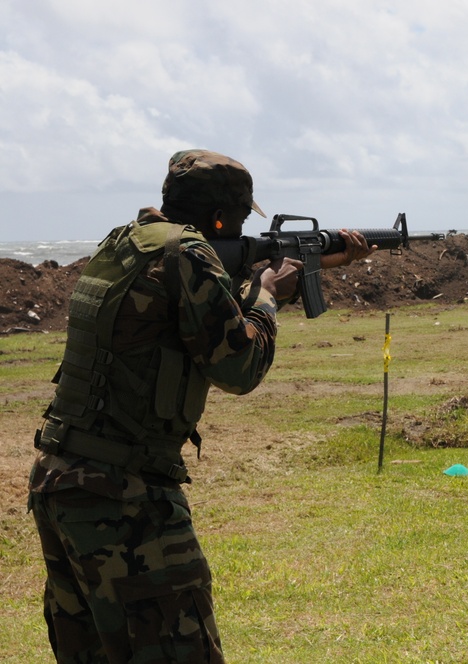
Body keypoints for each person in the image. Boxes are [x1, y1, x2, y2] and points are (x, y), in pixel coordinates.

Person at [27, 149, 374, 663]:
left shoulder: (130, 242)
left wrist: (313, 265)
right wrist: (267, 298)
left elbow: (193, 311)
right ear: (220, 217)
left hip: (63, 479)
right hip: (125, 497)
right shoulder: (188, 255)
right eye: (236, 218)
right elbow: (239, 367)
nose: (238, 228)